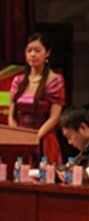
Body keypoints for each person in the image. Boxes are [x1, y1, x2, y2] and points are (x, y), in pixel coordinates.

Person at [7, 32, 65, 165]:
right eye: (29, 51)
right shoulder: (18, 80)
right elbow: (11, 115)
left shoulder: (55, 80)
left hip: (44, 139)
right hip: (20, 140)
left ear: (47, 53)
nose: (32, 54)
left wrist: (35, 138)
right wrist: (17, 136)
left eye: (37, 51)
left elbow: (54, 117)